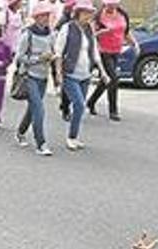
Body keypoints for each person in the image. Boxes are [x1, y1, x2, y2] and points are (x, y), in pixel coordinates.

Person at [54, 0, 106, 151]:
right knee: (79, 104)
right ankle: (71, 137)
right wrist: (58, 73)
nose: (89, 15)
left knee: (79, 108)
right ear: (78, 13)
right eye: (86, 12)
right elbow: (58, 52)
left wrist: (103, 71)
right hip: (70, 73)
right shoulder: (67, 28)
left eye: (90, 13)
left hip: (86, 74)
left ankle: (75, 137)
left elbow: (95, 52)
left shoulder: (89, 29)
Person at [15, 0, 55, 156]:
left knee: (32, 109)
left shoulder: (50, 33)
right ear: (36, 17)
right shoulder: (28, 34)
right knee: (39, 109)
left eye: (48, 15)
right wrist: (38, 59)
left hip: (43, 77)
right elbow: (19, 57)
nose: (46, 18)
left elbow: (53, 52)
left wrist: (52, 57)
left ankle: (20, 132)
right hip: (29, 76)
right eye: (43, 15)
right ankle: (41, 143)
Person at [86, 0, 136, 121]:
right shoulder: (99, 16)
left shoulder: (122, 14)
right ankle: (113, 111)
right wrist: (101, 32)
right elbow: (90, 35)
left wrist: (134, 43)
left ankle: (91, 102)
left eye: (113, 4)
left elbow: (126, 31)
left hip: (116, 50)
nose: (111, 6)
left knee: (106, 80)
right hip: (103, 51)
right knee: (114, 78)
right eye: (109, 4)